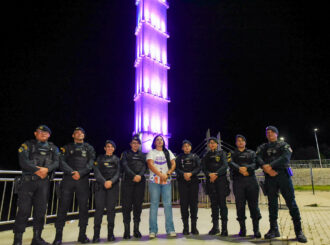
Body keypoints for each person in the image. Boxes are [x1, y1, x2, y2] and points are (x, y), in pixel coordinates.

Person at [256, 126, 307, 243]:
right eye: (267, 132)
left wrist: (270, 165)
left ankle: (299, 231)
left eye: (272, 132)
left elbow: (285, 158)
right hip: (270, 177)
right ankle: (274, 230)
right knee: (272, 204)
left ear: (276, 134)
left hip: (283, 176)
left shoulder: (284, 145)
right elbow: (257, 158)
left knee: (291, 203)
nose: (269, 134)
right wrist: (266, 168)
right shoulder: (263, 147)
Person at [13, 125, 59, 245]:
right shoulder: (27, 145)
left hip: (43, 184)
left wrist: (47, 169)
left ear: (49, 135)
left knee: (40, 211)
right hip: (28, 182)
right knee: (23, 211)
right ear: (35, 133)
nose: (43, 133)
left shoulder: (53, 148)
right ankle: (17, 240)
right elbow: (23, 161)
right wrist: (39, 170)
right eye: (40, 132)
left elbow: (57, 162)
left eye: (46, 132)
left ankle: (37, 239)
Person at [53, 127, 95, 245]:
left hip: (83, 181)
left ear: (84, 136)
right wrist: (72, 172)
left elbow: (91, 163)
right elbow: (61, 162)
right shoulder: (67, 147)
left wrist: (80, 173)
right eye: (77, 133)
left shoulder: (89, 148)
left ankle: (82, 235)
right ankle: (58, 237)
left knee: (84, 209)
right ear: (73, 135)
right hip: (68, 180)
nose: (80, 134)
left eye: (82, 132)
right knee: (62, 208)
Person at [228, 135, 261, 238]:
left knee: (254, 206)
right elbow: (230, 163)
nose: (240, 142)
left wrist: (246, 169)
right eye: (238, 141)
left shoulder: (252, 153)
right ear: (236, 143)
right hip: (238, 182)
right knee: (240, 206)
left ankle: (256, 230)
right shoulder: (232, 153)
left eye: (242, 141)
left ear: (245, 142)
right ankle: (243, 230)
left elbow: (256, 164)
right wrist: (239, 169)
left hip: (251, 181)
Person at [146, 135, 176, 238]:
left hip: (166, 182)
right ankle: (153, 230)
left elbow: (173, 164)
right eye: (157, 140)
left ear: (163, 142)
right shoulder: (151, 152)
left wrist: (167, 174)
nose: (159, 141)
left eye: (161, 140)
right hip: (154, 182)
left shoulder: (168, 152)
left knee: (168, 205)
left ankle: (170, 229)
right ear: (155, 142)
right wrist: (161, 175)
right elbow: (150, 165)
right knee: (154, 205)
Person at [92, 140, 120, 242]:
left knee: (111, 211)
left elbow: (118, 173)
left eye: (111, 147)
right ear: (105, 148)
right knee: (98, 210)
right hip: (100, 186)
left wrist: (111, 182)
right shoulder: (99, 158)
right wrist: (104, 182)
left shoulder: (117, 159)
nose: (109, 148)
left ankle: (110, 234)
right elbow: (96, 172)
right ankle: (96, 235)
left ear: (114, 149)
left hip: (112, 187)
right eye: (107, 146)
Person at [202, 137, 229, 236]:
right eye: (210, 143)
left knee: (222, 204)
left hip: (221, 181)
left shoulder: (222, 153)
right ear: (208, 145)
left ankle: (224, 228)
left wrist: (216, 174)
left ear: (217, 144)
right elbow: (203, 168)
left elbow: (225, 166)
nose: (212, 144)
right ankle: (215, 227)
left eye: (214, 143)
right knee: (214, 205)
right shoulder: (206, 155)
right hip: (211, 182)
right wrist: (210, 174)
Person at [121, 134, 146, 239]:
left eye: (137, 143)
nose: (135, 145)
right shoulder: (125, 154)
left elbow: (145, 166)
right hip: (128, 183)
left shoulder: (143, 155)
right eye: (133, 143)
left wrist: (139, 175)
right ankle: (126, 231)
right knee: (126, 207)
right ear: (131, 144)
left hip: (140, 183)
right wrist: (133, 175)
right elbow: (125, 166)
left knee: (138, 207)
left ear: (139, 144)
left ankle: (136, 230)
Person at [175, 140, 201, 235]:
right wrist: (183, 174)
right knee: (184, 205)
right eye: (184, 146)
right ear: (182, 148)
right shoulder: (179, 157)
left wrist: (191, 174)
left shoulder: (195, 157)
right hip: (182, 183)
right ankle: (185, 227)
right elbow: (176, 169)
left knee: (194, 205)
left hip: (193, 183)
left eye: (188, 146)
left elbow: (199, 167)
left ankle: (194, 227)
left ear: (190, 147)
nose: (186, 147)